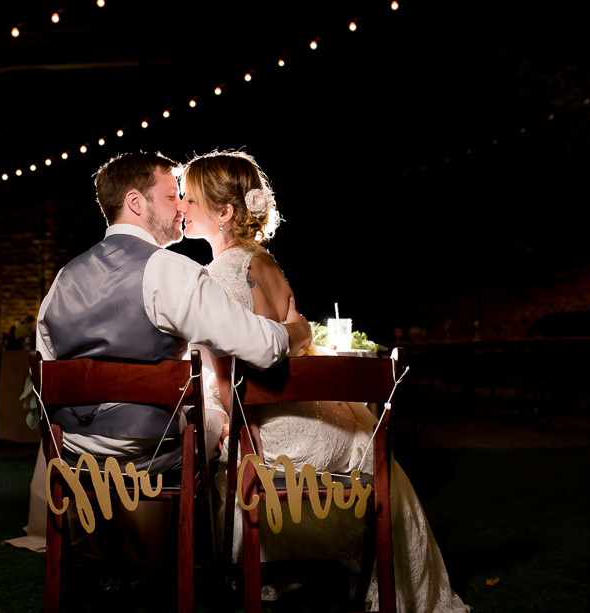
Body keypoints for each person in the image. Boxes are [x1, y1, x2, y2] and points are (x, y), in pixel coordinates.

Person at [182, 150, 469, 612]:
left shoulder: (214, 278)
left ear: (224, 212)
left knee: (213, 457)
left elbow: (222, 385)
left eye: (189, 198)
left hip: (275, 443)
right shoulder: (269, 264)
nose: (181, 207)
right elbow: (299, 337)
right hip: (341, 433)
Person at [5, 152, 313, 560]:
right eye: (170, 195)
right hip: (148, 448)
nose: (181, 205)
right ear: (136, 203)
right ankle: (185, 558)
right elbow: (261, 346)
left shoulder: (63, 278)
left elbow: (46, 372)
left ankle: (114, 554)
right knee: (213, 423)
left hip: (74, 451)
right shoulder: (171, 271)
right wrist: (296, 331)